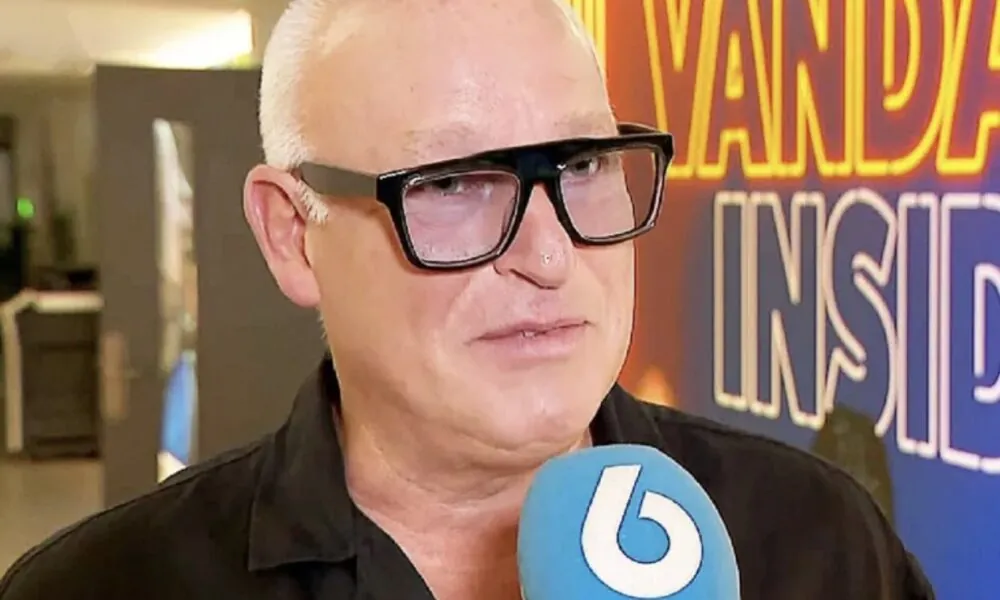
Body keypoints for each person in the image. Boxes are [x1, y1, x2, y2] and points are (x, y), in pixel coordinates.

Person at [0, 0, 935, 599]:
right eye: (452, 183)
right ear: (292, 233)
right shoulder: (106, 586)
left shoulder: (818, 540)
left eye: (582, 164)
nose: (549, 253)